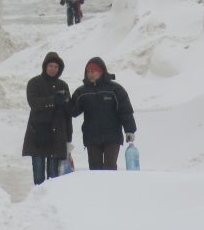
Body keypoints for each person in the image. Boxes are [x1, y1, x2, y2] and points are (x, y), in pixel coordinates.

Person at [70, 56, 136, 170]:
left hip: (112, 136)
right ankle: (96, 188)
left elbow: (125, 111)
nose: (90, 74)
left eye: (94, 71)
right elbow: (73, 111)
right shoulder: (82, 92)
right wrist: (64, 102)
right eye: (88, 72)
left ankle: (111, 188)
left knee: (110, 167)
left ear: (101, 72)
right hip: (91, 137)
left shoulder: (115, 89)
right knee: (95, 169)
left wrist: (130, 130)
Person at [21, 51, 73, 185]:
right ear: (45, 66)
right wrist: (54, 100)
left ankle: (52, 202)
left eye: (56, 67)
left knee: (54, 177)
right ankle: (38, 202)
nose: (53, 69)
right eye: (50, 66)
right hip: (38, 134)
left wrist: (68, 138)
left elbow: (68, 114)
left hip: (57, 136)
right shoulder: (34, 83)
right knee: (38, 175)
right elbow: (34, 103)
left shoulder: (63, 86)